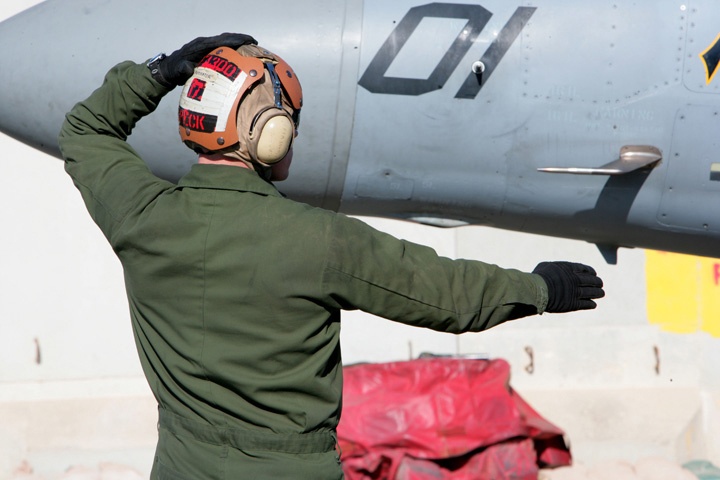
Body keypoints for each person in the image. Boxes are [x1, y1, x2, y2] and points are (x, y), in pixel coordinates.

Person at [58, 34, 604, 480]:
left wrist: (162, 71)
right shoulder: (320, 240)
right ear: (268, 134)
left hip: (181, 463)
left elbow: (86, 130)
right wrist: (538, 289)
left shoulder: (142, 217)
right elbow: (443, 293)